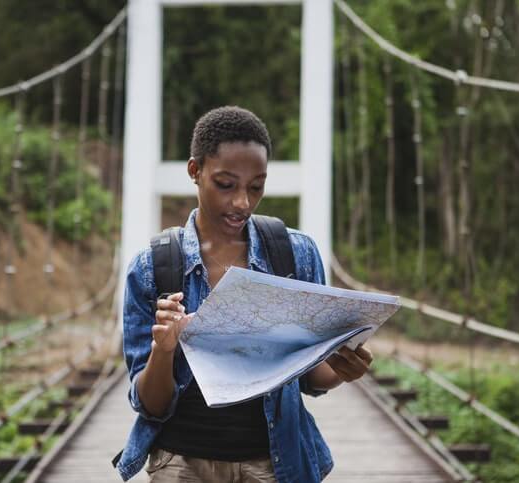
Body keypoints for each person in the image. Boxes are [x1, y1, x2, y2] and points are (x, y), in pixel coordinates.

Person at [115, 106, 373, 482]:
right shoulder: (151, 267)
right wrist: (164, 350)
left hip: (274, 464)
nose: (243, 203)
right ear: (194, 171)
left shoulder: (296, 254)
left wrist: (341, 368)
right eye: (226, 184)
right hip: (180, 465)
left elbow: (311, 377)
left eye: (256, 187)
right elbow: (150, 405)